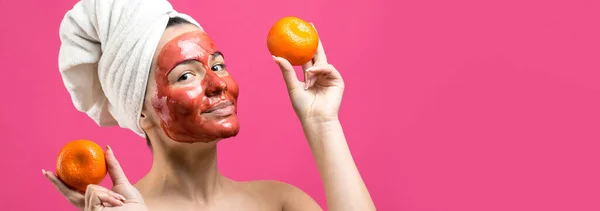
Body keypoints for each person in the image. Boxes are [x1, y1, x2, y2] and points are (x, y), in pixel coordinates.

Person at [43, 0, 376, 210]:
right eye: (186, 75)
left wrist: (322, 123)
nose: (218, 84)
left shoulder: (278, 202)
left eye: (217, 66)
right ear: (140, 110)